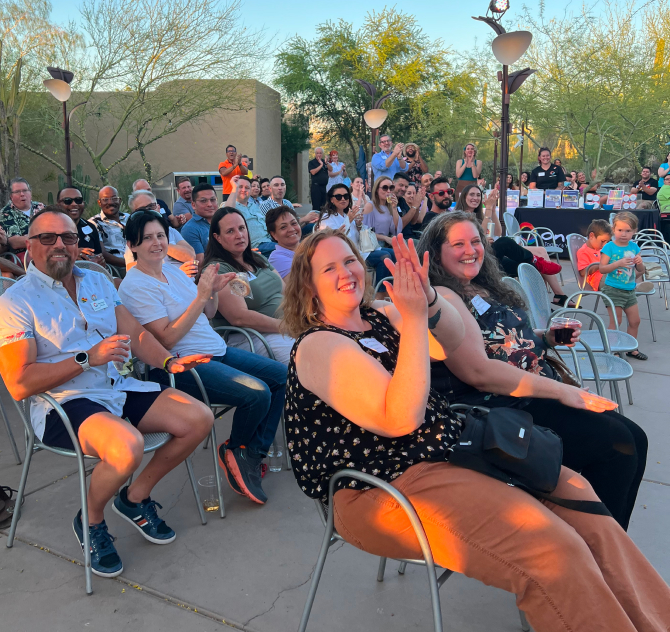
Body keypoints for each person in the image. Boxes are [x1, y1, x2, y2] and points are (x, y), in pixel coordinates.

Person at [283, 228, 670, 631]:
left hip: (450, 453)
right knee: (552, 549)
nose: (345, 272)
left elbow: (450, 340)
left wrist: (428, 299)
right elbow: (399, 419)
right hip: (378, 490)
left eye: (348, 260)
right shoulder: (319, 345)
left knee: (584, 503)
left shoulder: (380, 316)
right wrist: (415, 321)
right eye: (328, 268)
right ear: (308, 287)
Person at [0, 208, 214, 578]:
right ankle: (91, 521)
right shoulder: (14, 303)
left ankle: (134, 499)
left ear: (79, 244)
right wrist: (87, 358)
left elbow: (135, 333)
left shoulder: (97, 282)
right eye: (48, 237)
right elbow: (19, 383)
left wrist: (168, 361)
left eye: (69, 237)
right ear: (30, 245)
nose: (60, 245)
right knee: (127, 447)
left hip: (115, 387)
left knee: (197, 418)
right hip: (62, 403)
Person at [418, 212, 649, 530]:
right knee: (618, 446)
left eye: (476, 241)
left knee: (636, 438)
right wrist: (566, 391)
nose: (471, 250)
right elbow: (479, 372)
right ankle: (597, 553)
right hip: (496, 410)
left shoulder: (482, 286)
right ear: (437, 251)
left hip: (529, 391)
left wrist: (551, 337)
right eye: (458, 244)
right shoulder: (443, 297)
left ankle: (607, 545)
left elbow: (511, 341)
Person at [118, 210, 287, 504]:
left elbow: (207, 314)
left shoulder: (172, 270)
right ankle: (236, 449)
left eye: (161, 235)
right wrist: (200, 296)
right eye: (147, 239)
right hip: (180, 365)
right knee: (256, 393)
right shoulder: (135, 286)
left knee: (280, 377)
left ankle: (250, 453)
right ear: (132, 245)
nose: (157, 243)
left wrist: (213, 292)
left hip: (216, 350)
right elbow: (166, 338)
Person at [202, 207, 294, 364]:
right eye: (230, 231)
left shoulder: (257, 258)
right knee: (308, 355)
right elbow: (240, 317)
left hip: (285, 328)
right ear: (217, 237)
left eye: (241, 228)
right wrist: (287, 327)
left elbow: (286, 292)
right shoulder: (221, 269)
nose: (239, 235)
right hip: (252, 336)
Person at [454, 184, 569, 305]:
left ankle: (541, 304)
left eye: (478, 195)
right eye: (471, 194)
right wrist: (487, 210)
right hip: (476, 260)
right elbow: (479, 237)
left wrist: (492, 210)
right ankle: (535, 260)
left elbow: (497, 232)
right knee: (504, 242)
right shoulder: (460, 217)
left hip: (489, 257)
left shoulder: (479, 216)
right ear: (464, 197)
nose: (475, 198)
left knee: (526, 267)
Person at [317, 183, 394, 293]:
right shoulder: (327, 217)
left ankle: (392, 290)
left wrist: (358, 224)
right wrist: (349, 220)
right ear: (332, 200)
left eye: (346, 196)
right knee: (384, 257)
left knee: (393, 252)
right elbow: (334, 238)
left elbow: (357, 236)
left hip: (359, 249)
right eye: (338, 197)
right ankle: (380, 293)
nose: (343, 199)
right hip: (345, 254)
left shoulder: (347, 214)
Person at [599, 212, 649, 360]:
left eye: (628, 231)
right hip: (613, 289)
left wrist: (640, 264)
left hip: (629, 290)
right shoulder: (610, 247)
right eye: (620, 230)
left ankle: (631, 349)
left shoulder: (634, 247)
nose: (623, 234)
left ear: (634, 231)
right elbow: (602, 268)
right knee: (616, 321)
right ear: (613, 229)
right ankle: (612, 349)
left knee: (635, 321)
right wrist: (617, 264)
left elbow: (640, 271)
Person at [124, 190, 195, 271]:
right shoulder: (135, 236)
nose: (148, 212)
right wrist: (175, 273)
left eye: (151, 206)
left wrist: (161, 244)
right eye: (142, 209)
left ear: (158, 207)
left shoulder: (171, 231)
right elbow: (131, 269)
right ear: (134, 213)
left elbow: (191, 256)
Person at [226, 175, 275, 257]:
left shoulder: (254, 206)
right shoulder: (231, 206)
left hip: (269, 242)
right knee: (287, 249)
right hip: (256, 247)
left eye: (247, 188)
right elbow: (226, 214)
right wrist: (234, 188)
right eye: (240, 187)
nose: (243, 190)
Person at [0, 178, 45, 261]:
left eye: (25, 190)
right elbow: (15, 242)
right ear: (11, 196)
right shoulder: (6, 213)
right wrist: (46, 239)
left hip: (46, 249)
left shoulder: (41, 207)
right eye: (17, 192)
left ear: (30, 193)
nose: (22, 194)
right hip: (22, 256)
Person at [56, 188, 106, 267]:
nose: (74, 204)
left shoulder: (91, 227)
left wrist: (100, 261)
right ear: (58, 205)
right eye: (68, 201)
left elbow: (98, 254)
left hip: (90, 274)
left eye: (78, 200)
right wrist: (72, 254)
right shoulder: (51, 228)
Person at [89, 186, 129, 276]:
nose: (110, 202)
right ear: (99, 202)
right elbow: (103, 254)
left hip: (138, 263)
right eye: (105, 199)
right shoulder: (94, 223)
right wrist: (129, 264)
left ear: (119, 200)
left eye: (114, 198)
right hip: (117, 269)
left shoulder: (129, 218)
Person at [180, 183, 218, 264]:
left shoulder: (222, 222)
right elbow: (199, 264)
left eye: (212, 199)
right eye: (203, 201)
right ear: (193, 205)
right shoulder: (190, 229)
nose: (209, 204)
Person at [266, 205, 302, 281]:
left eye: (294, 223)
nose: (291, 229)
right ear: (273, 234)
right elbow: (300, 287)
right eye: (283, 227)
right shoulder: (277, 259)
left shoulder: (309, 248)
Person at [577, 219, 612, 292]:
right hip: (597, 281)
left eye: (607, 242)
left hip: (606, 277)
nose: (605, 245)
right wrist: (602, 263)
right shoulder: (583, 251)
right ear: (591, 236)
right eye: (602, 241)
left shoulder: (599, 249)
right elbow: (583, 272)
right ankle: (635, 287)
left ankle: (635, 284)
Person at [308, 147, 330, 211]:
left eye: (320, 153)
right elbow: (313, 172)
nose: (319, 155)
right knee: (316, 206)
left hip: (324, 187)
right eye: (317, 153)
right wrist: (321, 165)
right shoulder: (312, 162)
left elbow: (331, 169)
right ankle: (315, 220)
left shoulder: (324, 162)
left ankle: (322, 220)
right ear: (315, 154)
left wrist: (326, 163)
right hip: (316, 187)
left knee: (324, 206)